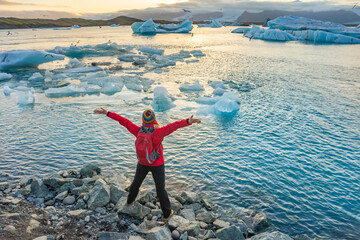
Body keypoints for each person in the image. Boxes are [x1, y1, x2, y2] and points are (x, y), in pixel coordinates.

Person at [94, 108, 201, 220]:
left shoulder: (138, 131)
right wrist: (189, 121)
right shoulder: (159, 132)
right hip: (157, 164)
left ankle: (129, 202)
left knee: (136, 183)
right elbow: (174, 126)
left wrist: (107, 113)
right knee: (160, 189)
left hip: (143, 163)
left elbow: (124, 121)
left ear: (143, 120)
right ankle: (167, 213)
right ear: (154, 119)